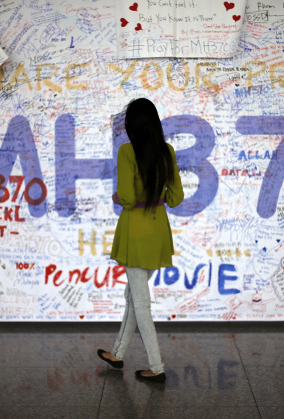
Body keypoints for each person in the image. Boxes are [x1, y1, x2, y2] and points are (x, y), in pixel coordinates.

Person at [97, 98, 184, 383]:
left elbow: (128, 197)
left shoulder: (126, 152)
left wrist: (116, 198)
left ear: (131, 125)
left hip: (135, 231)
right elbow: (176, 197)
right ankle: (117, 353)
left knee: (141, 302)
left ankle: (156, 367)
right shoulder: (167, 152)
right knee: (133, 296)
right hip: (158, 230)